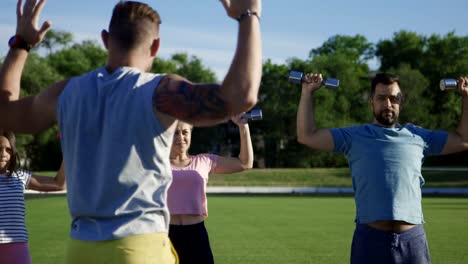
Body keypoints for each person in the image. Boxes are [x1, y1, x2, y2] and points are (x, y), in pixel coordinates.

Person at [0, 0, 262, 263]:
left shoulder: (67, 92)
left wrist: (21, 44)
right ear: (156, 47)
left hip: (81, 250)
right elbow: (241, 96)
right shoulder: (160, 92)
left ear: (105, 39)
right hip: (140, 248)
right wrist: (248, 15)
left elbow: (5, 112)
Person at [296, 72, 468, 264]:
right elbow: (306, 136)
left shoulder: (419, 136)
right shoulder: (354, 137)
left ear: (401, 102)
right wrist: (307, 92)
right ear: (372, 102)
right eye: (381, 98)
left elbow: (463, 140)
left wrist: (466, 98)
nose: (388, 104)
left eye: (394, 98)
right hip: (370, 240)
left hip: (412, 243)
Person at [168, 115, 254, 264]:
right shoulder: (155, 163)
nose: (180, 137)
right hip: (165, 234)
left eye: (185, 132)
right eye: (175, 132)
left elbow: (245, 163)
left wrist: (243, 126)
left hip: (196, 234)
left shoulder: (204, 161)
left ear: (190, 134)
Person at [0, 131, 65, 264]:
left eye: (8, 150)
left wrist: (70, 150)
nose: (3, 154)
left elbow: (58, 184)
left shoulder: (20, 176)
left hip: (16, 248)